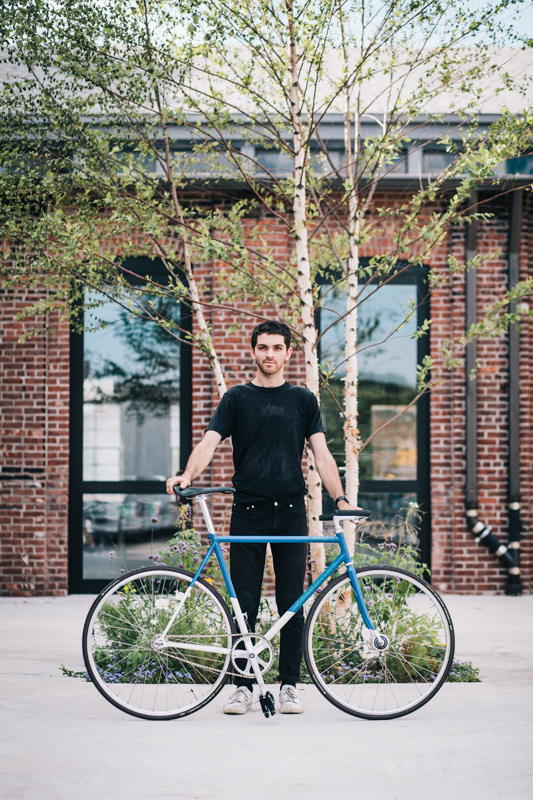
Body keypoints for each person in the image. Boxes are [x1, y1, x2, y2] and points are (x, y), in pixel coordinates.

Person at [166, 320, 360, 715]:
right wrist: (186, 475)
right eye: (263, 347)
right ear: (253, 352)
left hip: (291, 512)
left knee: (291, 602)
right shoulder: (236, 398)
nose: (270, 354)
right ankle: (243, 686)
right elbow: (209, 442)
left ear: (289, 353)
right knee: (244, 604)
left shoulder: (303, 400)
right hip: (248, 512)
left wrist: (339, 498)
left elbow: (321, 454)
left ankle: (289, 685)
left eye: (277, 347)